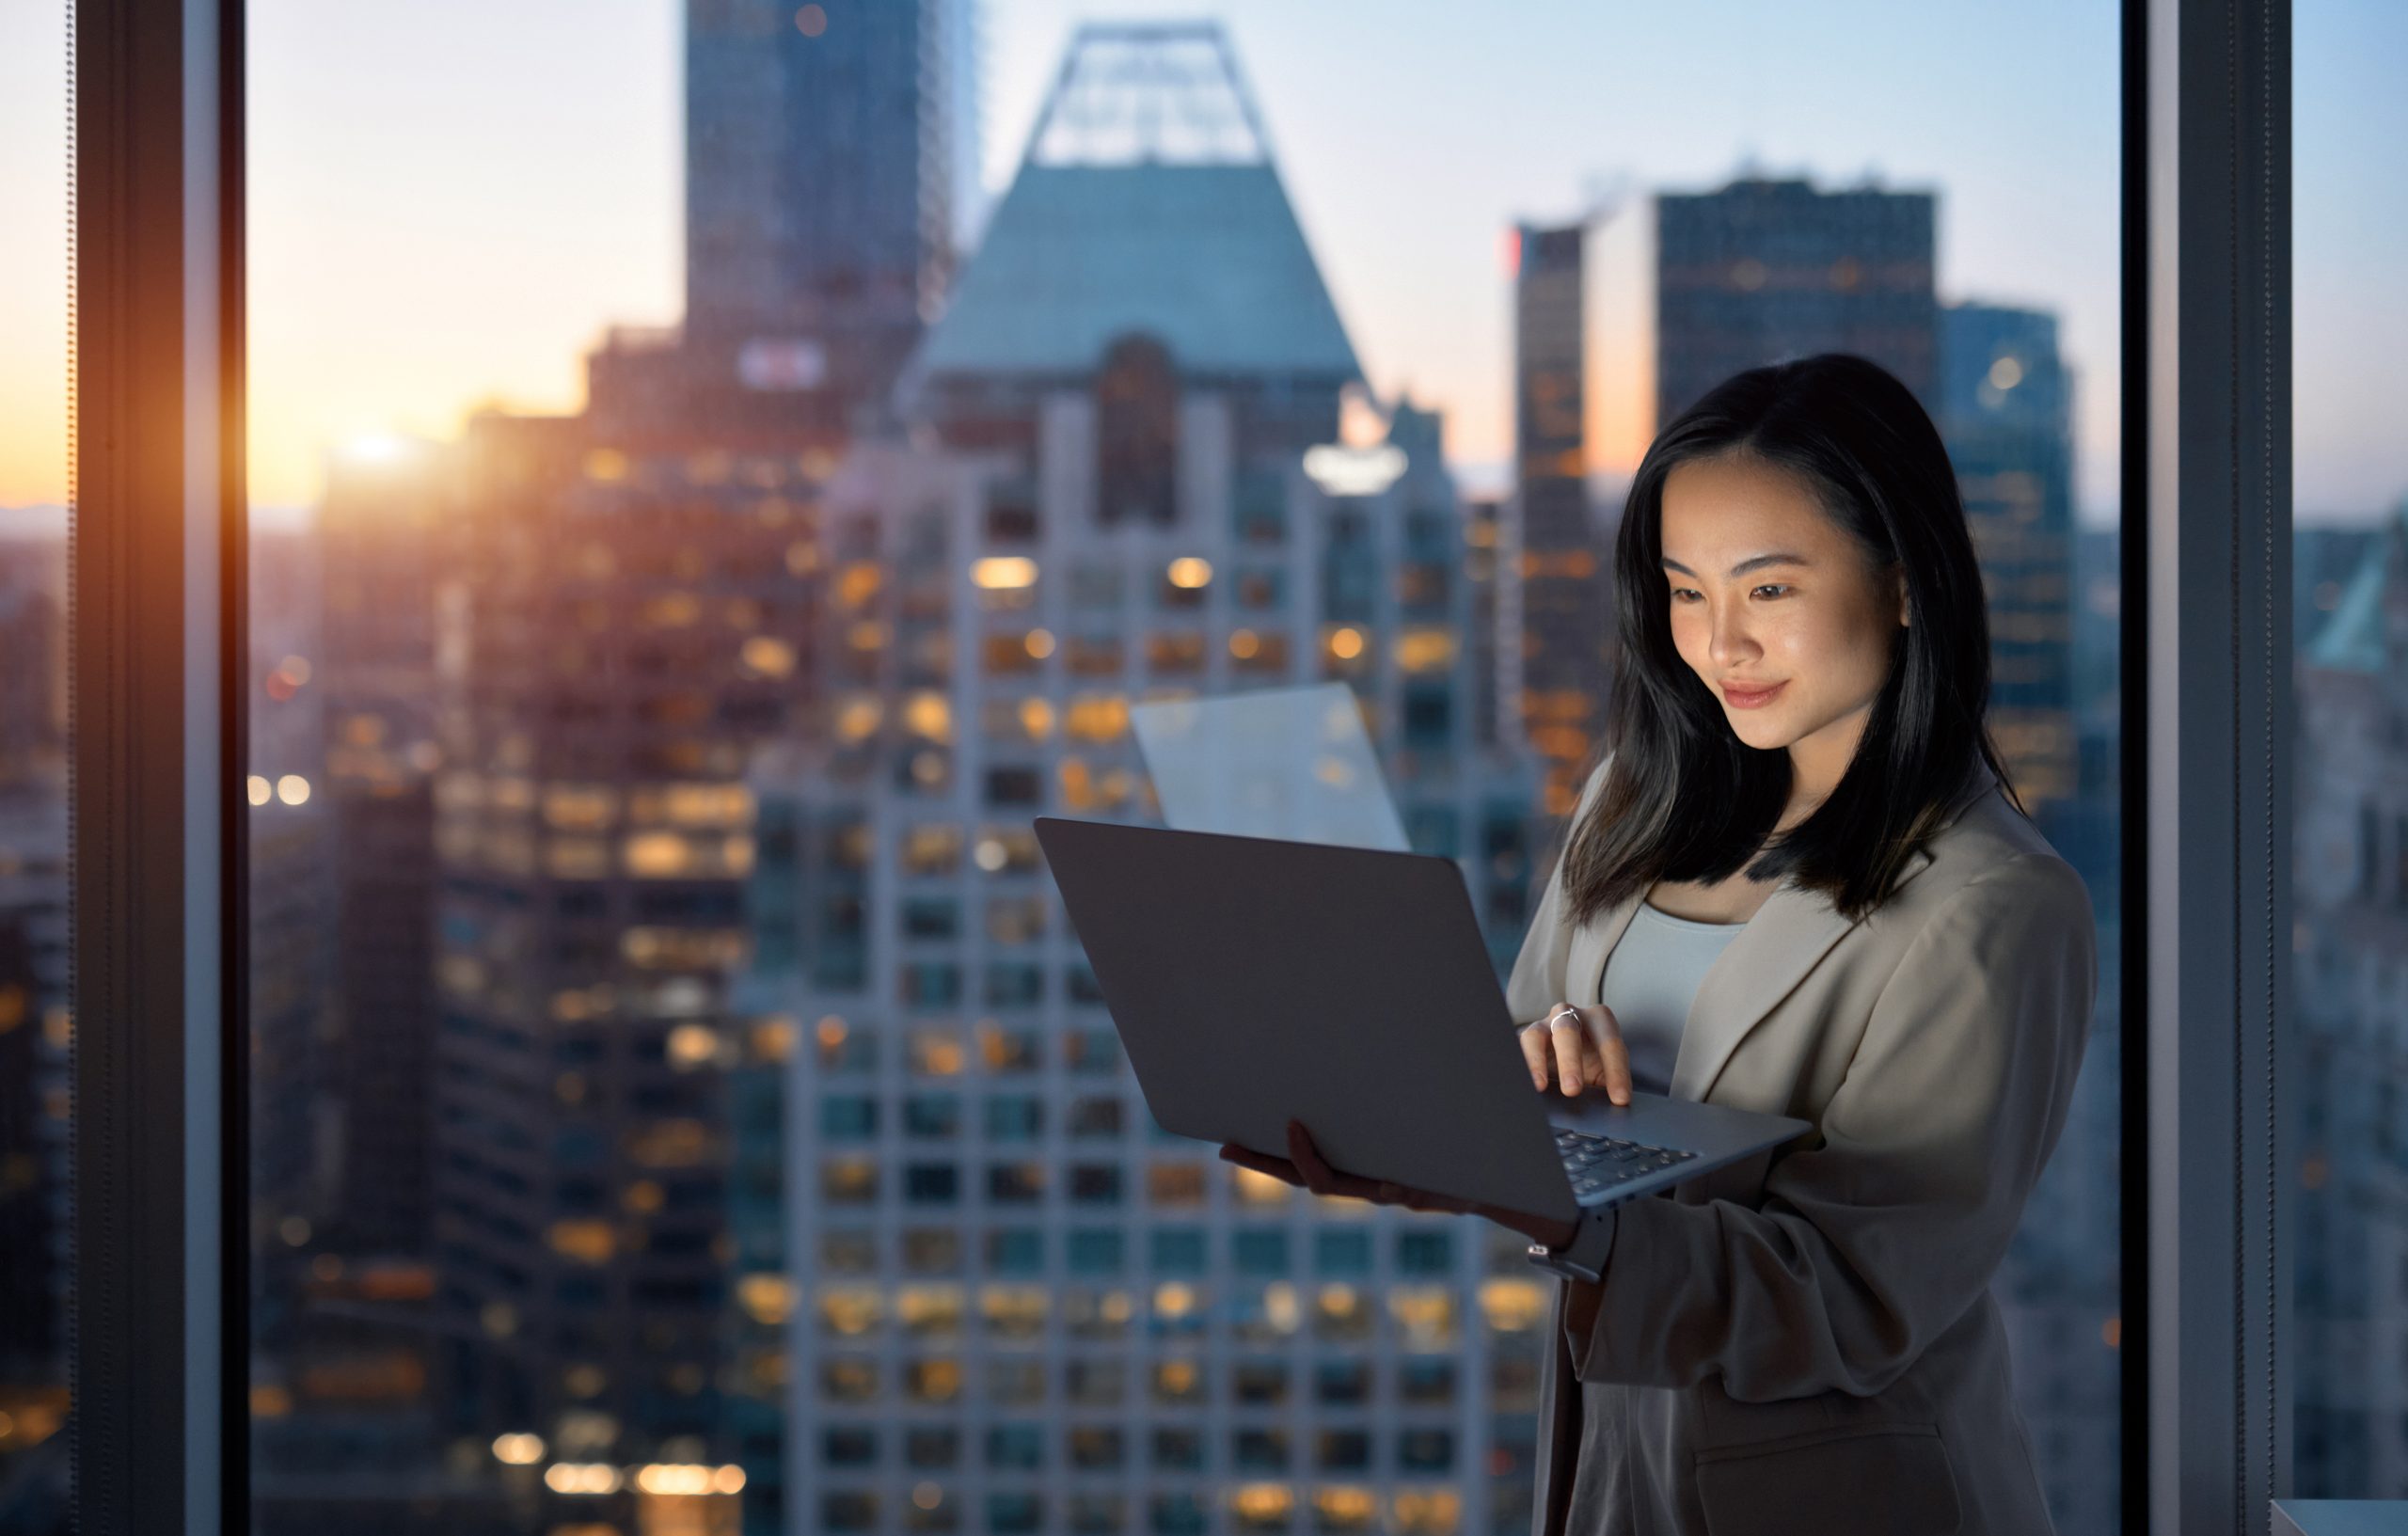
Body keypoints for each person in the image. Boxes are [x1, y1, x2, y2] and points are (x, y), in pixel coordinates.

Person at [1220, 353, 2097, 1535]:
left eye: (1769, 590)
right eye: (1686, 591)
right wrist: (1442, 1120)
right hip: (1613, 1463)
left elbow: (1857, 1299)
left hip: (1851, 1494)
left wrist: (1569, 1218)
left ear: (1901, 583)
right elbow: (1526, 1067)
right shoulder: (1633, 799)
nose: (1719, 641)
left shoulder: (1995, 903)